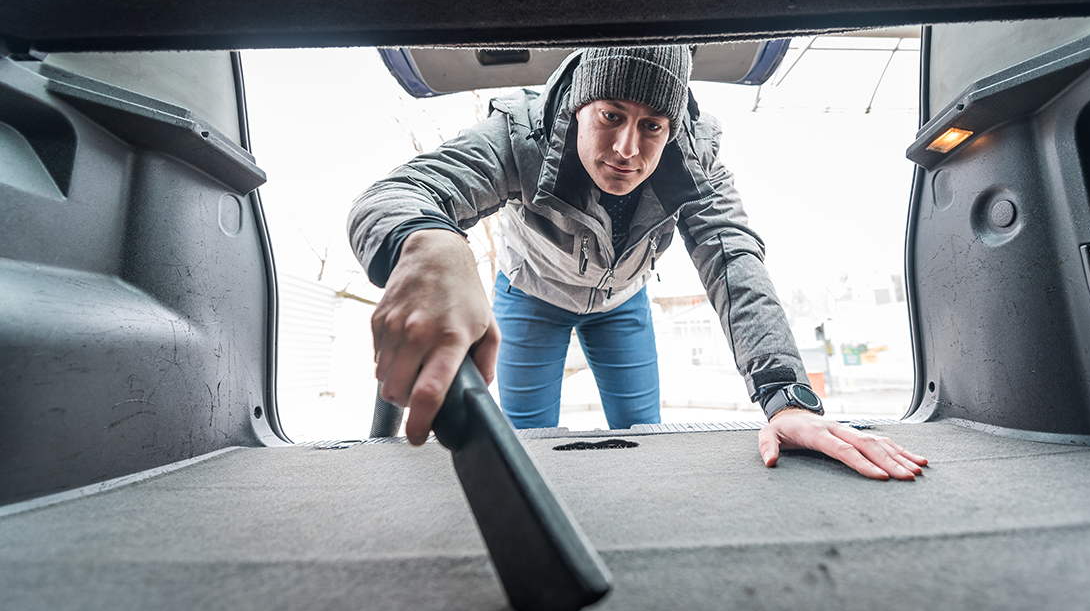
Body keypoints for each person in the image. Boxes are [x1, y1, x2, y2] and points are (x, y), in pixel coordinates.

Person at [348, 45, 927, 480]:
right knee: (526, 443)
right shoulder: (519, 135)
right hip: (529, 300)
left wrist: (785, 397)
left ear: (671, 131)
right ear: (579, 107)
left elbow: (736, 264)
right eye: (611, 116)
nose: (627, 148)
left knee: (644, 437)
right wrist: (428, 246)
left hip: (621, 304)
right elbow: (398, 195)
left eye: (651, 126)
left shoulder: (694, 169)